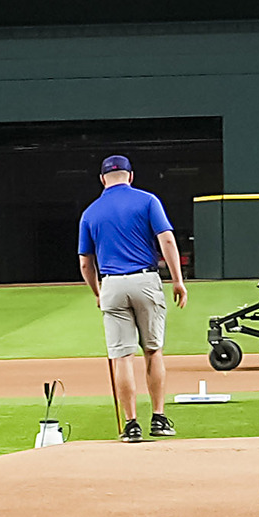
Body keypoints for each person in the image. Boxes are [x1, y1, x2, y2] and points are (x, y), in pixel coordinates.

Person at [75, 152, 189, 443]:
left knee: (122, 357)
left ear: (102, 179)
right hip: (145, 279)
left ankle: (131, 424)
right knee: (153, 350)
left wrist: (98, 293)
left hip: (112, 283)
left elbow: (85, 262)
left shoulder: (90, 212)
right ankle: (159, 418)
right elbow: (166, 239)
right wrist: (177, 280)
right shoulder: (148, 200)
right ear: (131, 175)